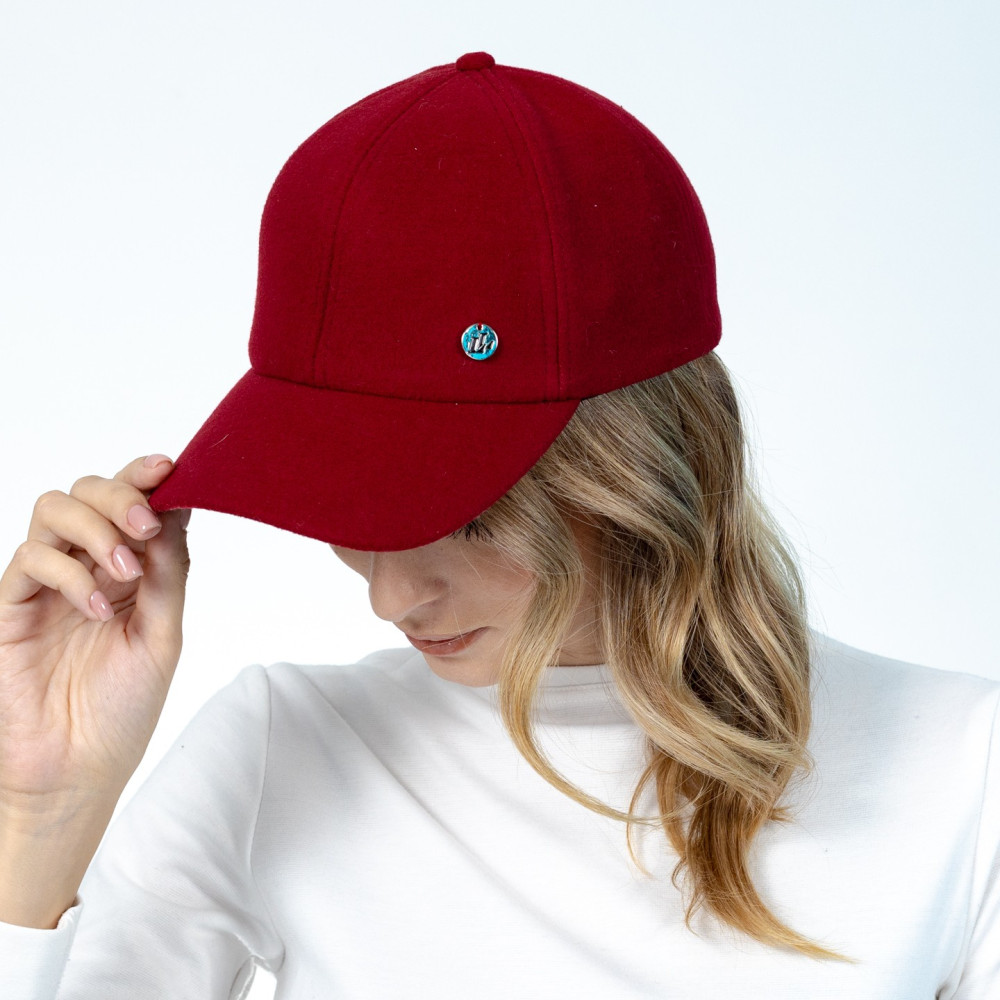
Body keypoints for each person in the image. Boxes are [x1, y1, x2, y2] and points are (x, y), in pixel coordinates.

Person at [0, 51, 997, 999]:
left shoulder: (962, 772)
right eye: (347, 500)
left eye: (471, 515)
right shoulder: (284, 751)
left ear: (642, 469)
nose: (392, 596)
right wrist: (40, 811)